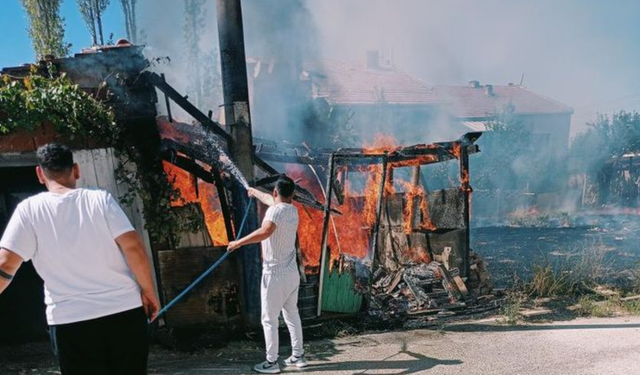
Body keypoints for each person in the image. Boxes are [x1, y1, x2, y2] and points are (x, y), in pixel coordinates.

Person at [0, 143, 159, 375]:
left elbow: (4, 266)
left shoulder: (28, 211)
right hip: (124, 312)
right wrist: (149, 292)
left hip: (70, 321)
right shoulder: (100, 200)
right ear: (76, 169)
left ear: (39, 173)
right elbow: (133, 247)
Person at [227, 176, 307, 374]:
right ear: (292, 194)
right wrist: (254, 192)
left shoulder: (274, 211)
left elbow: (265, 231)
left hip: (274, 275)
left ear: (275, 192)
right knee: (291, 314)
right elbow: (271, 201)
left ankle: (271, 362)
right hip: (291, 273)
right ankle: (298, 355)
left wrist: (238, 242)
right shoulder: (292, 211)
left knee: (269, 319)